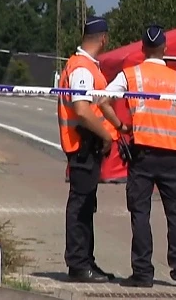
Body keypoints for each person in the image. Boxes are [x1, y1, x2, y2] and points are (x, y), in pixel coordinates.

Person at [98, 24, 176, 288]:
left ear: (142, 48)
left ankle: (143, 274)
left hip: (143, 155)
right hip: (172, 156)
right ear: (165, 48)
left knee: (140, 212)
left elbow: (102, 100)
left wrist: (120, 126)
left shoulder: (131, 76)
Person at [57, 16, 118, 282]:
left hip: (85, 146)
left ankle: (86, 260)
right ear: (103, 38)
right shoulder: (82, 68)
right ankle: (79, 264)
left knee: (85, 203)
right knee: (80, 205)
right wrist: (106, 136)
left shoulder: (85, 65)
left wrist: (118, 127)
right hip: (83, 145)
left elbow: (98, 103)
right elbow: (82, 110)